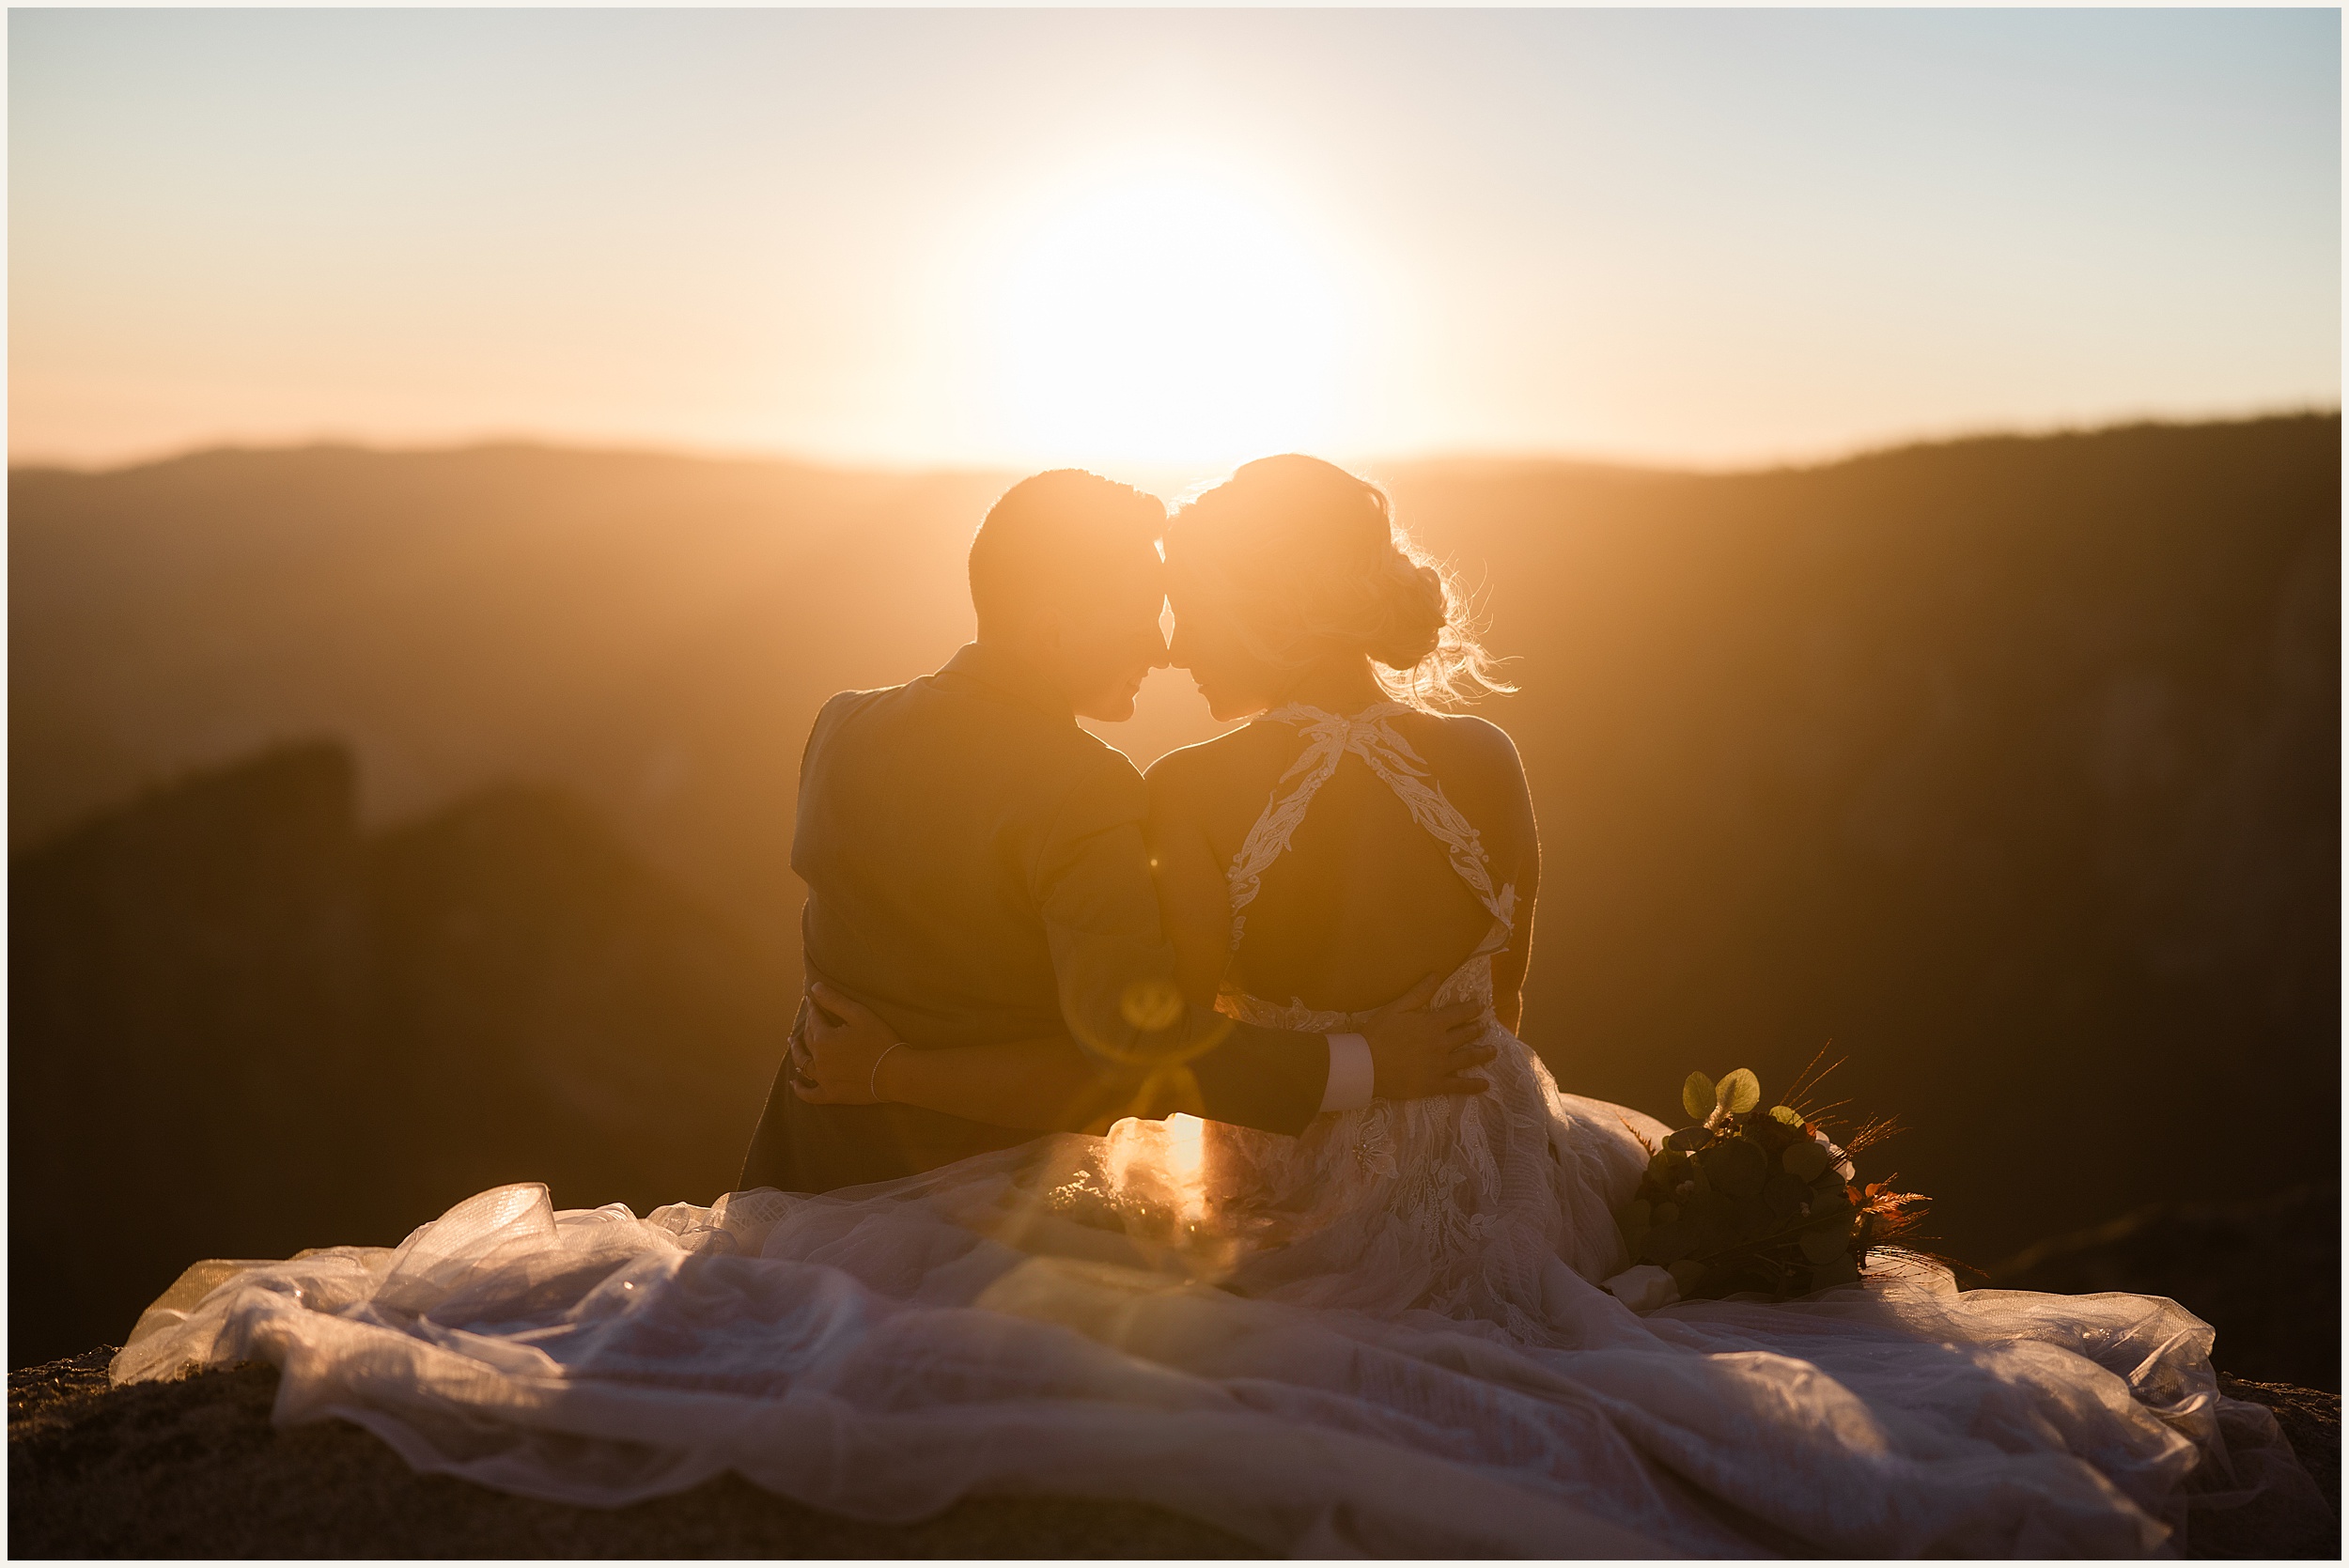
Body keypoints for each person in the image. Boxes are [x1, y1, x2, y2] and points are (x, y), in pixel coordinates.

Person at [115, 458, 2320, 1556]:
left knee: (1054, 1313)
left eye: (1189, 583)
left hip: (1302, 1177)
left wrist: (1305, 1073)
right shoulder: (1493, 759)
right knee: (1606, 1239)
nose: (1163, 616)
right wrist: (1435, 1074)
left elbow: (1187, 1056)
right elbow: (1515, 994)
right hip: (1501, 1154)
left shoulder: (1181, 793)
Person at [738, 467, 1492, 1194]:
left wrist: (877, 1068)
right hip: (971, 1213)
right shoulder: (1083, 786)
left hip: (802, 1180)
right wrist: (1365, 1064)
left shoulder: (840, 725)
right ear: (1053, 631)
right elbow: (1135, 1049)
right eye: (1139, 614)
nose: (1161, 648)